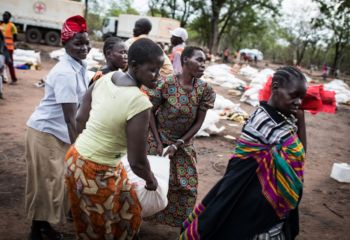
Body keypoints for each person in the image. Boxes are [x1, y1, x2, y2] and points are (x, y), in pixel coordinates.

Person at [180, 66, 308, 240]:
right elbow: (298, 156)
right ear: (275, 87)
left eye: (302, 97)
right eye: (293, 95)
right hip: (257, 199)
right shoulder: (266, 123)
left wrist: (299, 119)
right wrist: (300, 122)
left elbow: (297, 158)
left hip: (263, 197)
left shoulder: (279, 116)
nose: (298, 102)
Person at [65, 38, 164, 239]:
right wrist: (152, 181)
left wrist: (93, 142)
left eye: (159, 70)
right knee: (98, 231)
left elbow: (79, 118)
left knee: (129, 212)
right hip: (95, 171)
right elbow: (137, 162)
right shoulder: (139, 102)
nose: (158, 76)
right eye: (152, 70)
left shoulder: (105, 79)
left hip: (77, 159)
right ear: (134, 66)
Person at [25, 15, 90, 240]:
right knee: (46, 183)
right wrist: (78, 150)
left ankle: (44, 226)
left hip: (57, 132)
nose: (85, 48)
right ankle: (37, 230)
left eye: (86, 42)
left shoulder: (80, 65)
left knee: (55, 182)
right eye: (78, 43)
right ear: (65, 44)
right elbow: (70, 118)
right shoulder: (65, 73)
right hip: (46, 132)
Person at [145, 46, 216, 227]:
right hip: (158, 138)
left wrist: (178, 144)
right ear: (185, 60)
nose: (203, 65)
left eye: (204, 62)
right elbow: (150, 112)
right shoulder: (166, 83)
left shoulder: (204, 90)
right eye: (199, 60)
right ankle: (145, 217)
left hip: (183, 141)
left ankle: (181, 226)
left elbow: (198, 123)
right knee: (154, 180)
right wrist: (159, 142)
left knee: (187, 186)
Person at [0, 11, 18, 84]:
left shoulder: (12, 26)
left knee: (10, 64)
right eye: (3, 16)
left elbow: (15, 37)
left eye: (6, 16)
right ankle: (3, 78)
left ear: (9, 17)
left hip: (9, 48)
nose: (4, 17)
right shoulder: (1, 24)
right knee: (1, 63)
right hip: (1, 48)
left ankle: (14, 79)